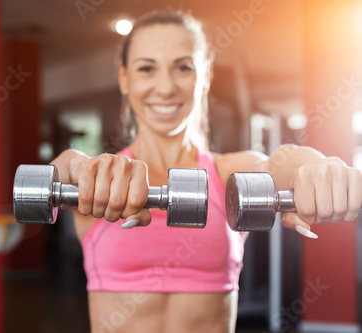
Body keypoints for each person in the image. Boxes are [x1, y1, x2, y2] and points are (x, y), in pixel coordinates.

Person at [50, 9, 362, 333]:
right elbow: (63, 171)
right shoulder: (100, 181)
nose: (166, 87)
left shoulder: (229, 175)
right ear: (125, 77)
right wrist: (77, 164)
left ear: (205, 75)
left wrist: (319, 167)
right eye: (147, 69)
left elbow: (282, 162)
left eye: (183, 67)